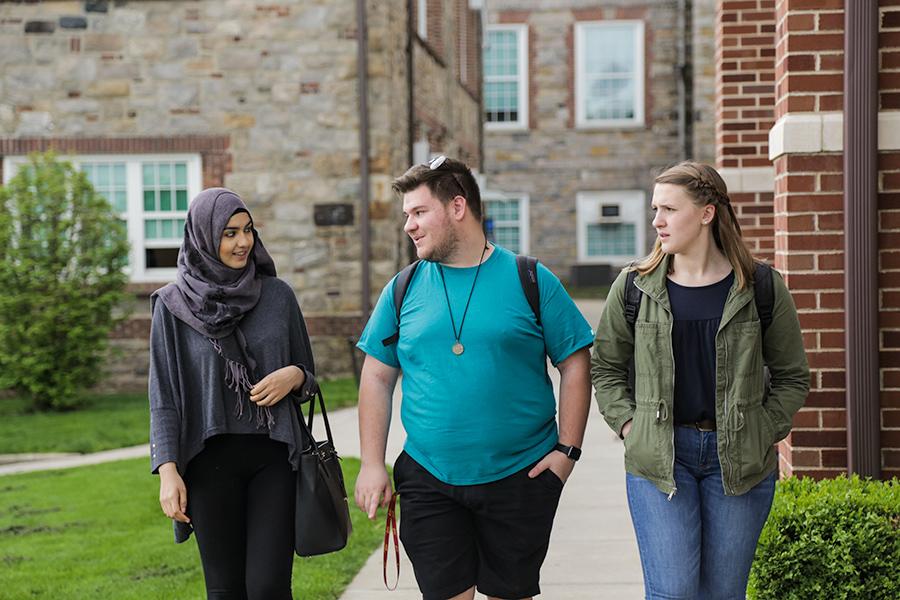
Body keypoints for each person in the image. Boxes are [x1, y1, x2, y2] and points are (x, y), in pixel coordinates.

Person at [354, 155, 594, 600]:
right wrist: (371, 463)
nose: (409, 225)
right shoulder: (403, 287)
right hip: (429, 477)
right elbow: (376, 376)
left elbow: (575, 360)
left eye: (419, 212)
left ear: (458, 207)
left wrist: (567, 451)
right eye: (407, 214)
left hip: (521, 476)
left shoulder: (529, 278)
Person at [591, 162, 810, 599]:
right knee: (673, 591)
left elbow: (791, 376)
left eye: (669, 209)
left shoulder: (760, 287)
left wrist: (763, 428)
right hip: (660, 457)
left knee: (723, 594)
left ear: (707, 213)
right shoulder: (634, 287)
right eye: (656, 209)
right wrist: (630, 427)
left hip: (740, 461)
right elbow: (606, 367)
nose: (657, 220)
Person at [149, 188, 317, 600]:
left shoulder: (278, 296)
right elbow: (164, 395)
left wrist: (293, 376)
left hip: (274, 457)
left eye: (247, 231)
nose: (243, 242)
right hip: (207, 464)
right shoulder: (171, 307)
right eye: (228, 233)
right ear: (204, 238)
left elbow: (310, 376)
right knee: (224, 591)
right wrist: (167, 470)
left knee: (268, 588)